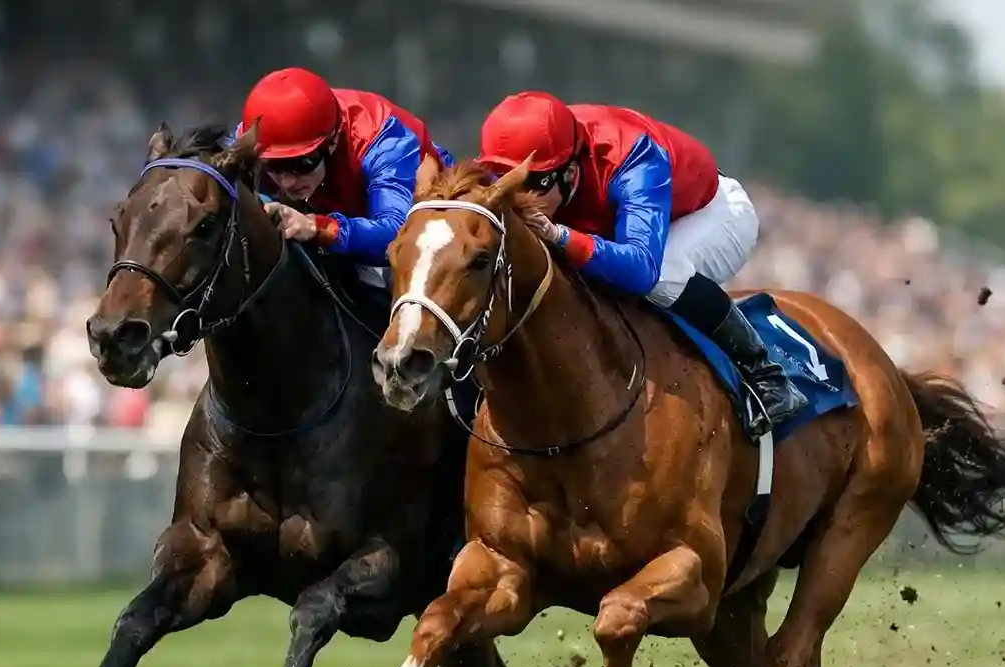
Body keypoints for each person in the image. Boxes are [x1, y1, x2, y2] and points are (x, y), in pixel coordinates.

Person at [476, 91, 806, 435]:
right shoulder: (532, 146)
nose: (519, 199)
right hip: (626, 220)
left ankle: (766, 375)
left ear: (570, 172)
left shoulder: (632, 159)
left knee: (663, 276)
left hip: (709, 213)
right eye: (507, 182)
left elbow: (640, 270)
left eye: (532, 186)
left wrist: (560, 236)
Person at [236, 67, 454, 298]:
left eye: (302, 163)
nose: (287, 182)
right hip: (339, 210)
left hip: (425, 229)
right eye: (273, 166)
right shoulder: (250, 139)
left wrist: (317, 227)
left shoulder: (384, 142)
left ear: (333, 140)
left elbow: (398, 238)